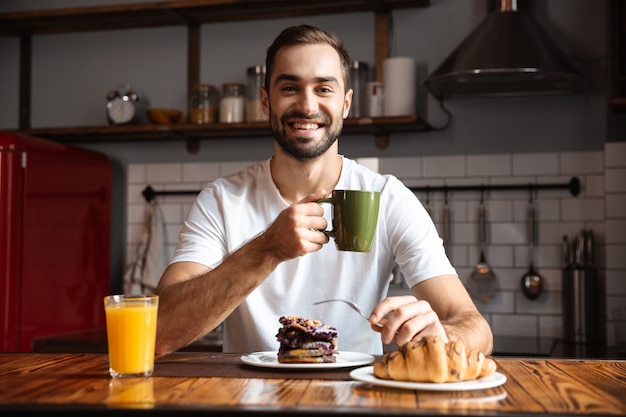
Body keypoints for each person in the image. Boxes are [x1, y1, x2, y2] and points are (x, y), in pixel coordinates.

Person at [154, 24, 493, 356]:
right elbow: (158, 331)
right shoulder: (221, 200)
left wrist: (442, 335)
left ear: (346, 103)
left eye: (324, 89)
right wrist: (267, 249)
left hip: (358, 402)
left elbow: (475, 327)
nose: (307, 105)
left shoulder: (388, 198)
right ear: (264, 100)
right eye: (289, 88)